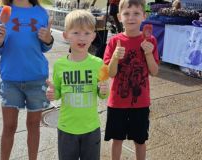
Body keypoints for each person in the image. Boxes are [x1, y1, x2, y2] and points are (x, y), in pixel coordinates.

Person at [0, 0, 54, 159]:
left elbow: (44, 47)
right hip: (11, 79)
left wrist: (48, 39)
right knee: (9, 127)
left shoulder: (41, 12)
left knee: (33, 126)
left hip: (37, 78)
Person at [46, 10, 109, 160]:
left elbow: (103, 94)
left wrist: (104, 90)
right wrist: (52, 94)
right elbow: (58, 93)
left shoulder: (99, 63)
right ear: (66, 35)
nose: (82, 37)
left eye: (87, 33)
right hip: (66, 128)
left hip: (91, 127)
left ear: (93, 36)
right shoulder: (60, 65)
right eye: (76, 33)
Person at [103, 0, 159, 160]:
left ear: (144, 16)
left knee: (140, 140)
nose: (131, 17)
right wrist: (115, 57)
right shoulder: (114, 41)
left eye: (136, 13)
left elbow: (154, 72)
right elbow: (110, 73)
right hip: (117, 102)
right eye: (126, 13)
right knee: (117, 139)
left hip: (140, 102)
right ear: (120, 17)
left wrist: (148, 54)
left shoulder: (151, 41)